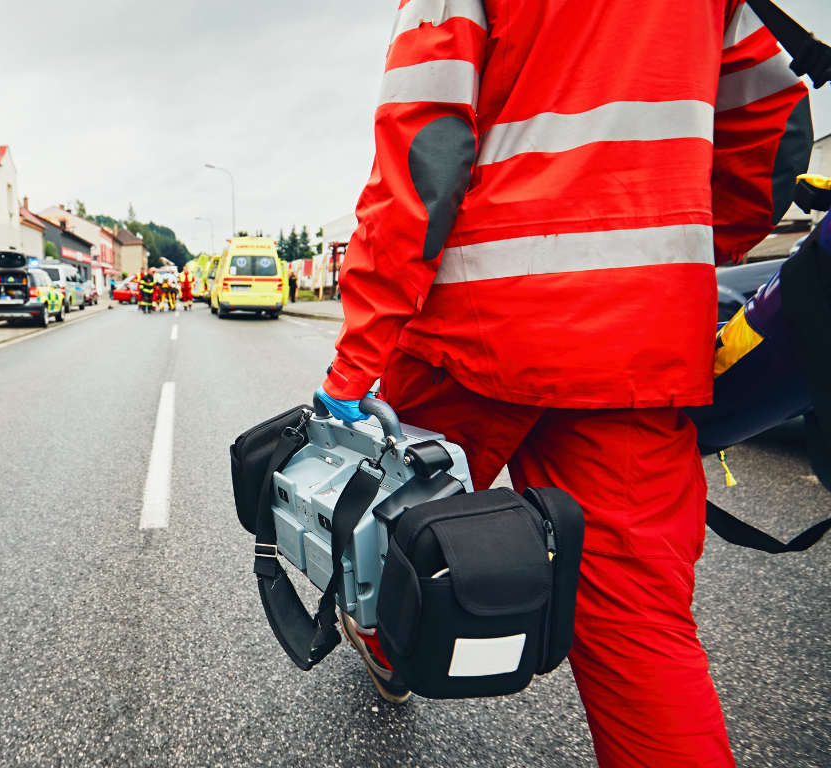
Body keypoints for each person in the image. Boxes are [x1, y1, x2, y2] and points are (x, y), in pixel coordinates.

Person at [315, 1, 812, 765]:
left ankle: (388, 640)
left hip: (470, 335)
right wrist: (655, 264)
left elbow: (423, 161)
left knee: (391, 520)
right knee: (642, 637)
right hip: (633, 353)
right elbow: (772, 136)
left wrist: (355, 366)